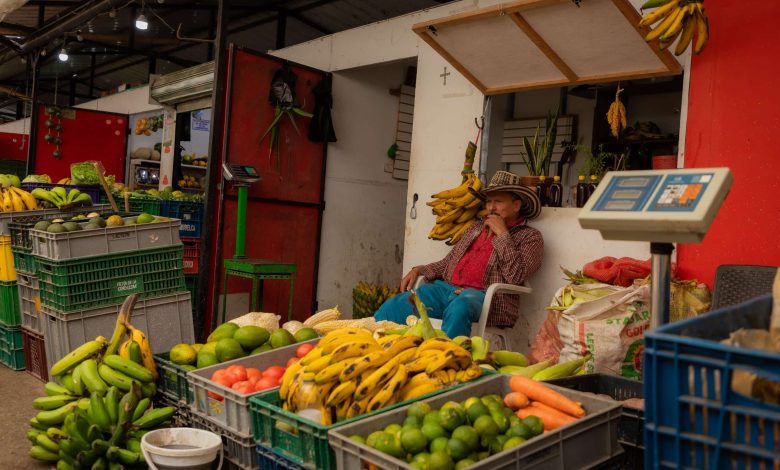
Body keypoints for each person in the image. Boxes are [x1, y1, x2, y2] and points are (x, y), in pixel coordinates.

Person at [375, 170, 544, 338]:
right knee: (397, 305)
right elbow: (448, 262)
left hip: (483, 298)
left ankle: (448, 360)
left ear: (516, 205)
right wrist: (418, 270)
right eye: (489, 202)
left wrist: (502, 234)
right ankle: (370, 347)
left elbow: (516, 275)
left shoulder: (530, 237)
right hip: (446, 289)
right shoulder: (477, 227)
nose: (491, 207)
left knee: (460, 307)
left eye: (498, 201)